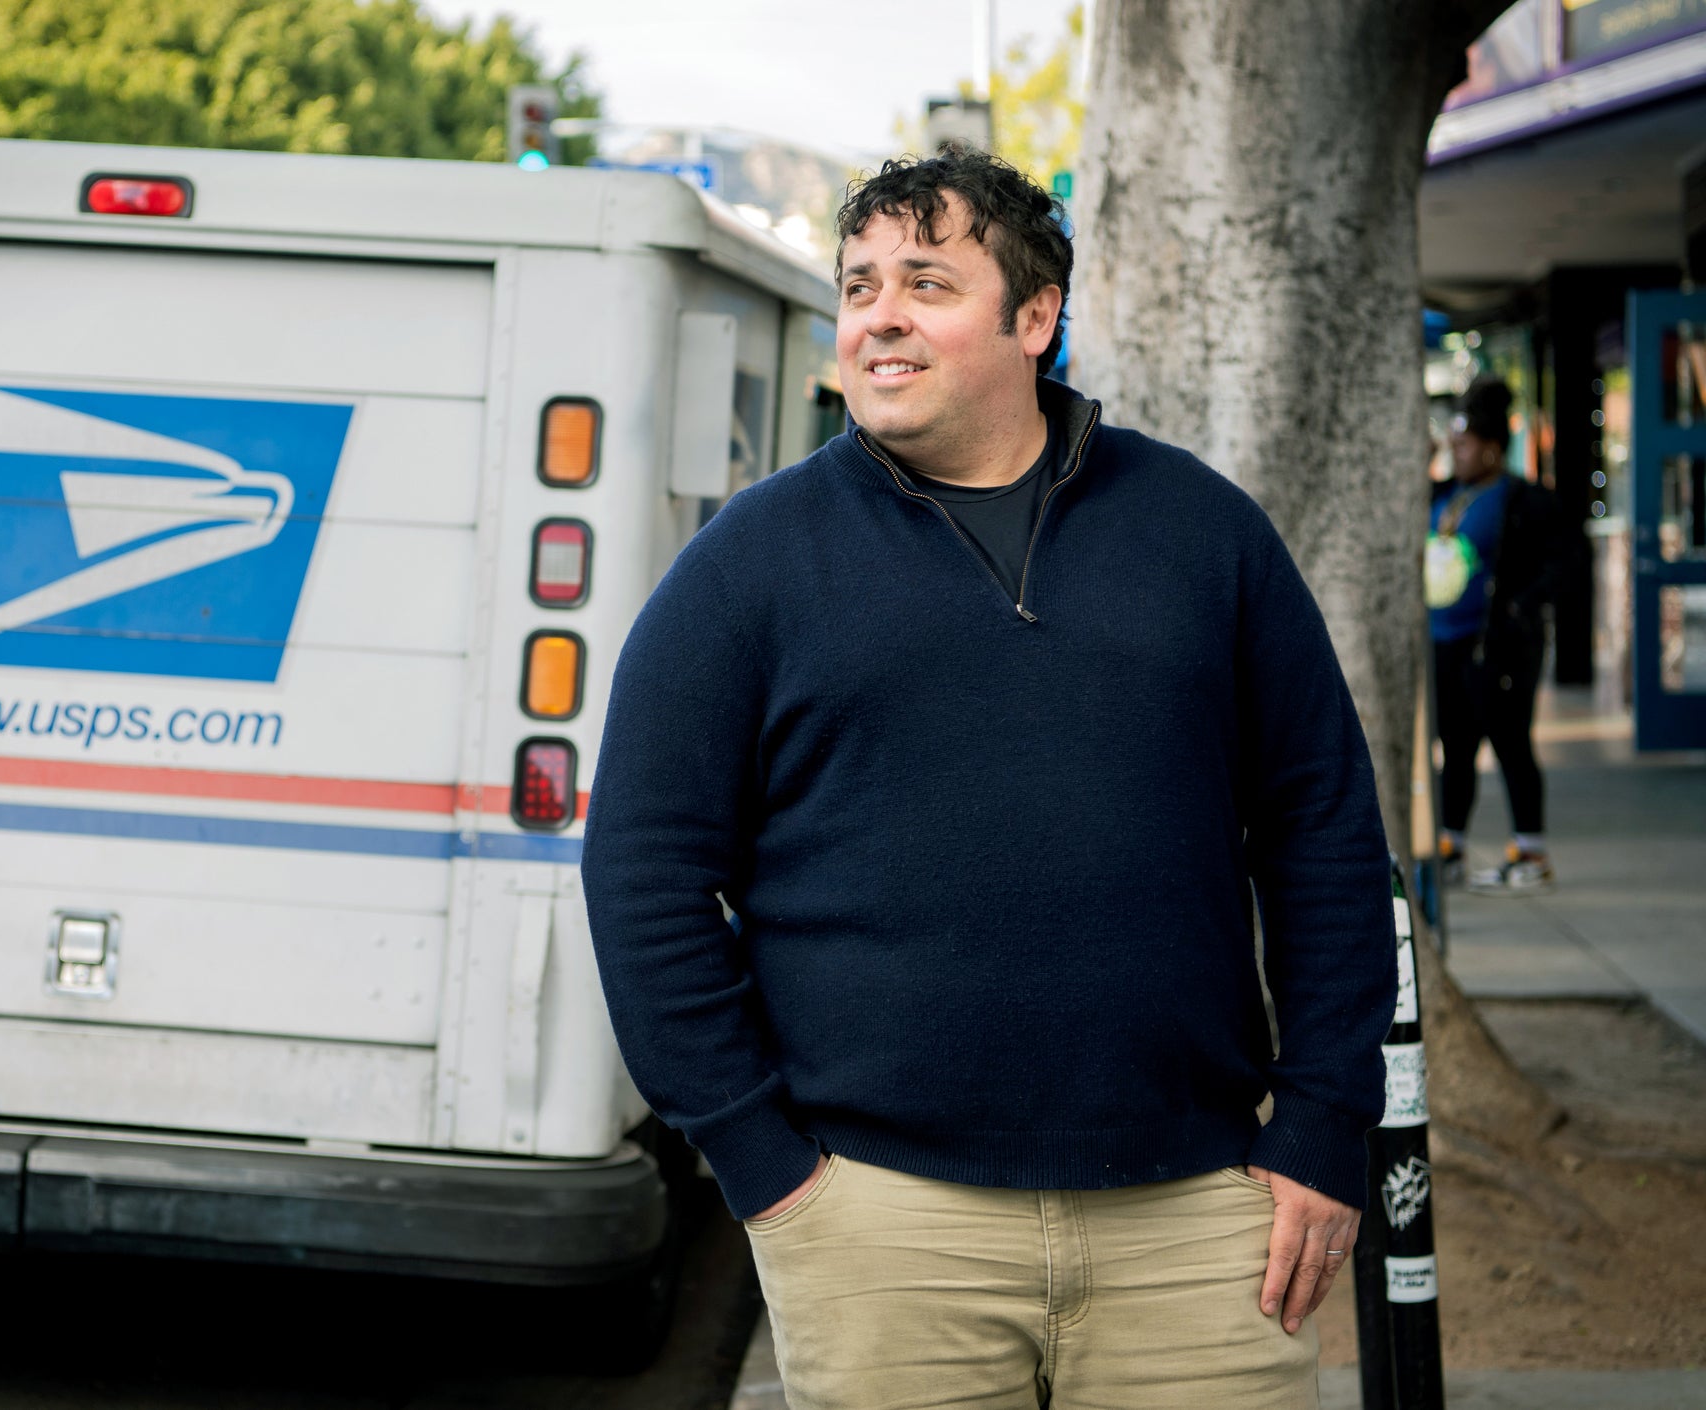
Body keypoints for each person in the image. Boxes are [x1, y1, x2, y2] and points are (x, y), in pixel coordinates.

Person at [579, 149, 1396, 1410]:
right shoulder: (748, 565)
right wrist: (761, 1165)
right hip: (881, 1225)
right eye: (857, 287)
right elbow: (643, 875)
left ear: (1032, 318)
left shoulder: (1200, 533)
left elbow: (1323, 832)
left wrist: (1323, 1126)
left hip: (1193, 1222)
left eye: (924, 281)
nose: (877, 315)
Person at [1427, 378, 1568, 895]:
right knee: (1456, 748)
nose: (1455, 453)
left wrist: (1517, 610)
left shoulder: (1523, 500)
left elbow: (1564, 563)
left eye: (1462, 445)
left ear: (1489, 449)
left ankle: (1530, 851)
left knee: (1510, 743)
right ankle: (1450, 846)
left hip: (1499, 647)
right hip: (1446, 643)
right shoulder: (1450, 494)